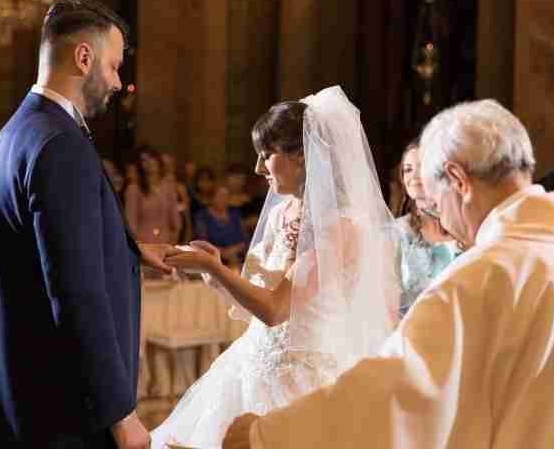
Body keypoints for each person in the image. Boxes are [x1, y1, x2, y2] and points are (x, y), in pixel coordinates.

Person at [223, 99, 554, 449]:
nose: (440, 216)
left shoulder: (480, 278)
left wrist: (266, 436)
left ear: (458, 180)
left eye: (435, 199)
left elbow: (397, 391)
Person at [151, 86, 400, 449]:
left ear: (302, 156)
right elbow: (255, 301)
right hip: (254, 361)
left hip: (306, 372)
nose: (257, 168)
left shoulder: (341, 226)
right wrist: (215, 272)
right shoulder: (281, 214)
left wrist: (216, 270)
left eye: (267, 155)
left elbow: (275, 309)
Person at [0, 0, 172, 449]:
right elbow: (75, 291)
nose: (118, 82)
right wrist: (120, 414)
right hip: (62, 413)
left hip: (23, 401)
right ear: (84, 57)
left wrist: (128, 248)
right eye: (114, 66)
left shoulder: (14, 133)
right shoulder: (59, 144)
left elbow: (34, 250)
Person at [396, 140, 461, 315]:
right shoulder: (396, 232)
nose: (413, 176)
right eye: (408, 169)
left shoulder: (465, 226)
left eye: (421, 167)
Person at [125, 145, 181, 245]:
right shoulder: (134, 189)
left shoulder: (169, 187)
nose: (149, 162)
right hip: (144, 245)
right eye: (144, 160)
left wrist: (172, 241)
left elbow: (176, 221)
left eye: (151, 158)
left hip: (167, 243)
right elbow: (131, 224)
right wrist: (141, 247)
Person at [194, 185, 247, 267]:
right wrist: (223, 252)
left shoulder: (235, 214)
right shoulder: (202, 216)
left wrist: (233, 250)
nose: (223, 199)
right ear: (211, 198)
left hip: (237, 259)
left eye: (226, 196)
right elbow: (202, 243)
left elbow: (245, 239)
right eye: (219, 196)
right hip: (212, 261)